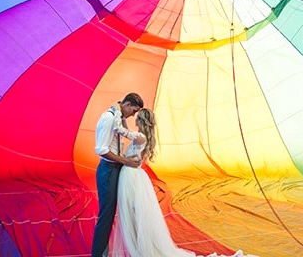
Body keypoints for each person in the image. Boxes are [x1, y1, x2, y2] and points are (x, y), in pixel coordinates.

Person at [112, 108, 257, 257]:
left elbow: (123, 132)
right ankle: (137, 245)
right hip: (132, 175)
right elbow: (128, 132)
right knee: (133, 211)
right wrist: (123, 118)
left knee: (134, 211)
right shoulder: (141, 137)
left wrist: (117, 115)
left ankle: (139, 247)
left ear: (140, 121)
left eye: (136, 116)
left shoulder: (140, 137)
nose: (134, 117)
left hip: (132, 177)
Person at [91, 92, 144, 257]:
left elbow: (122, 139)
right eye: (133, 111)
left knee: (122, 209)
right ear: (128, 105)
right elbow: (102, 150)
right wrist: (125, 161)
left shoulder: (119, 118)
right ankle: (98, 254)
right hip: (108, 170)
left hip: (117, 168)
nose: (133, 115)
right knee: (107, 214)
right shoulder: (109, 118)